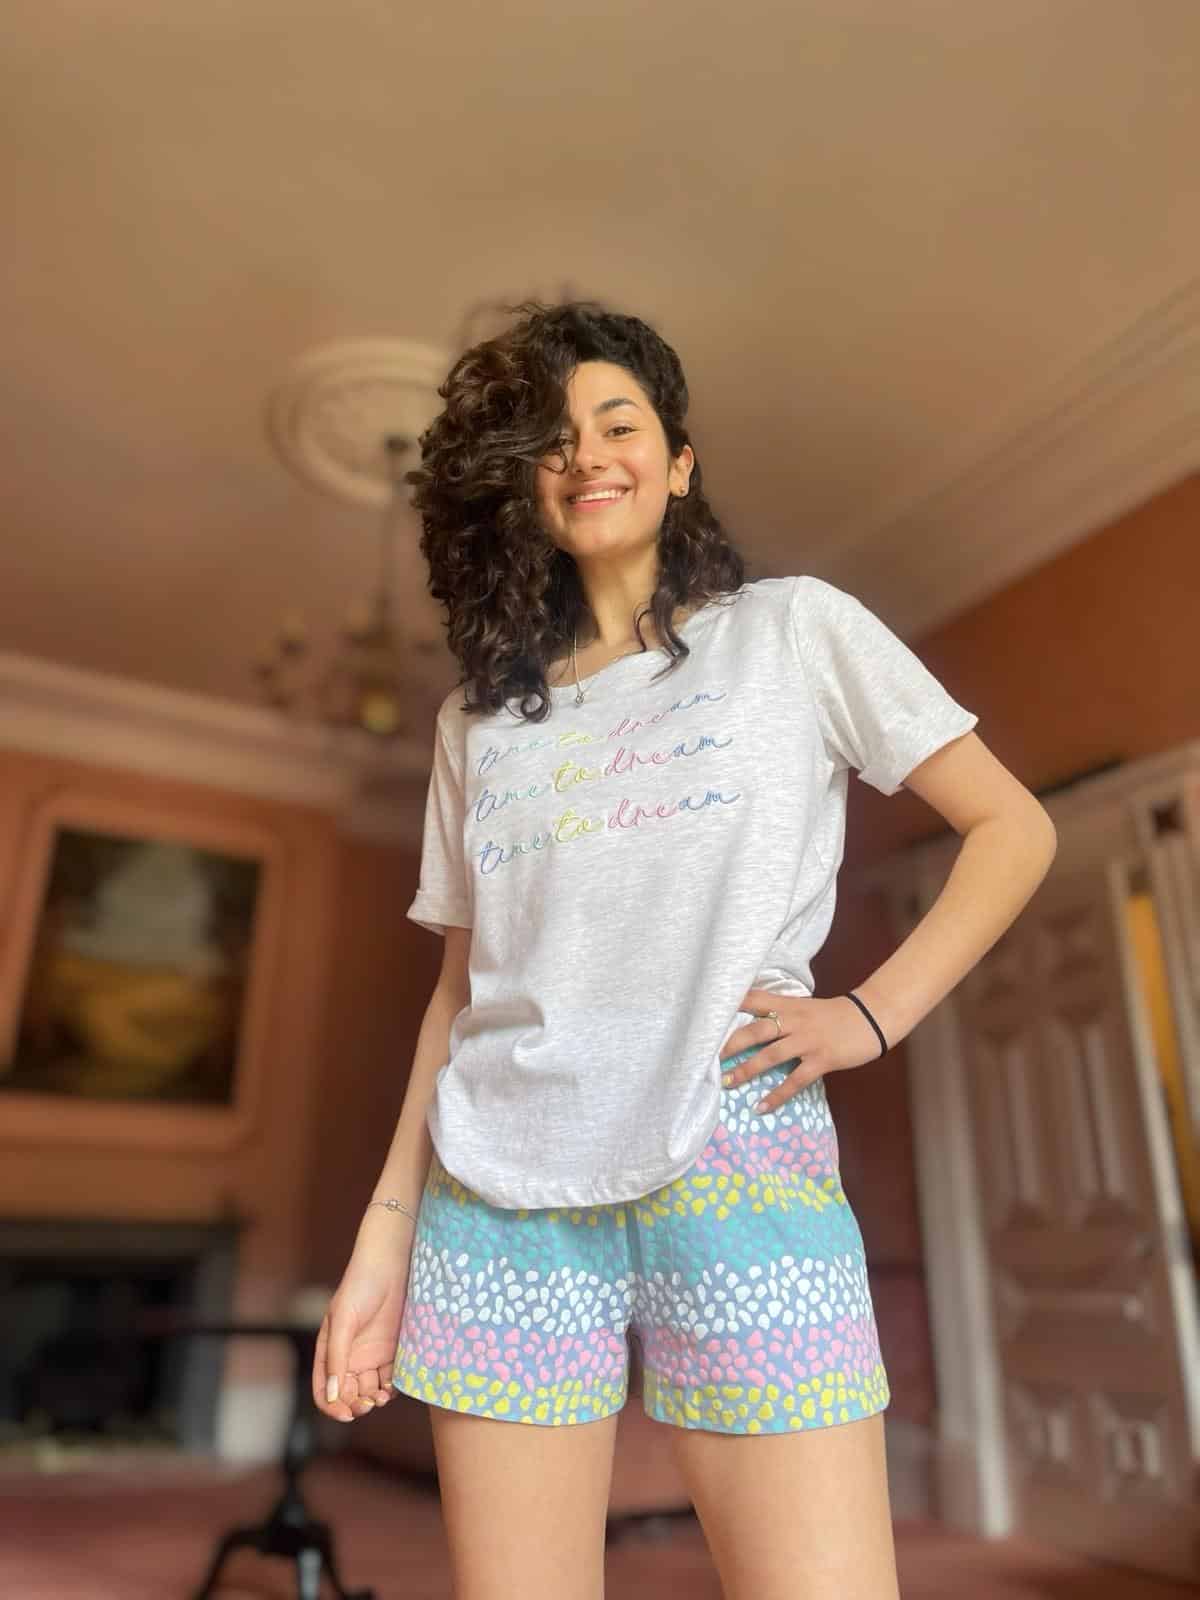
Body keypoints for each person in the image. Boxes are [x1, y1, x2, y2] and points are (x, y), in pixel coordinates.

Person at [313, 300, 1058, 1599]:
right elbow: (460, 995)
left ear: (678, 461)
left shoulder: (794, 630)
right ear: (522, 483)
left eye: (619, 424)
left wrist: (870, 1016)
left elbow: (1013, 827)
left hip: (736, 1145)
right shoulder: (477, 724)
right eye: (552, 440)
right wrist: (385, 1239)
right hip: (499, 1185)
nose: (587, 456)